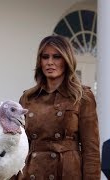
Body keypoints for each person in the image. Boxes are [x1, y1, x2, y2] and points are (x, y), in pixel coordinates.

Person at [15, 35, 100, 179]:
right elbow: (17, 148)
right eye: (45, 57)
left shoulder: (82, 97)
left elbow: (91, 151)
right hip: (32, 172)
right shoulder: (28, 98)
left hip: (66, 173)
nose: (50, 62)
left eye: (56, 57)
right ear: (39, 61)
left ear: (67, 60)